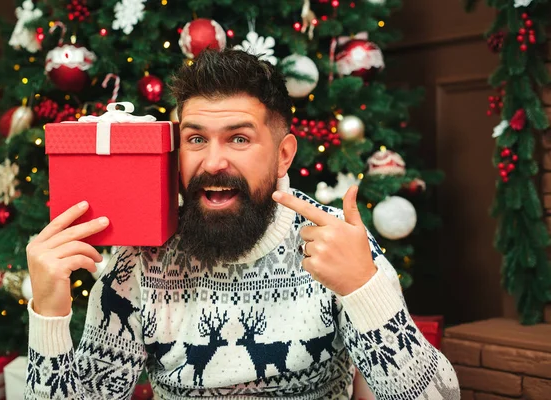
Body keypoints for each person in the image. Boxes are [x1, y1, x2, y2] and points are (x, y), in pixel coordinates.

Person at [25, 48, 460, 400]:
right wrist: (48, 310)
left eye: (239, 138)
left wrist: (366, 291)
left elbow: (440, 395)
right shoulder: (140, 260)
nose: (213, 162)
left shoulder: (338, 246)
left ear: (284, 154)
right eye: (196, 139)